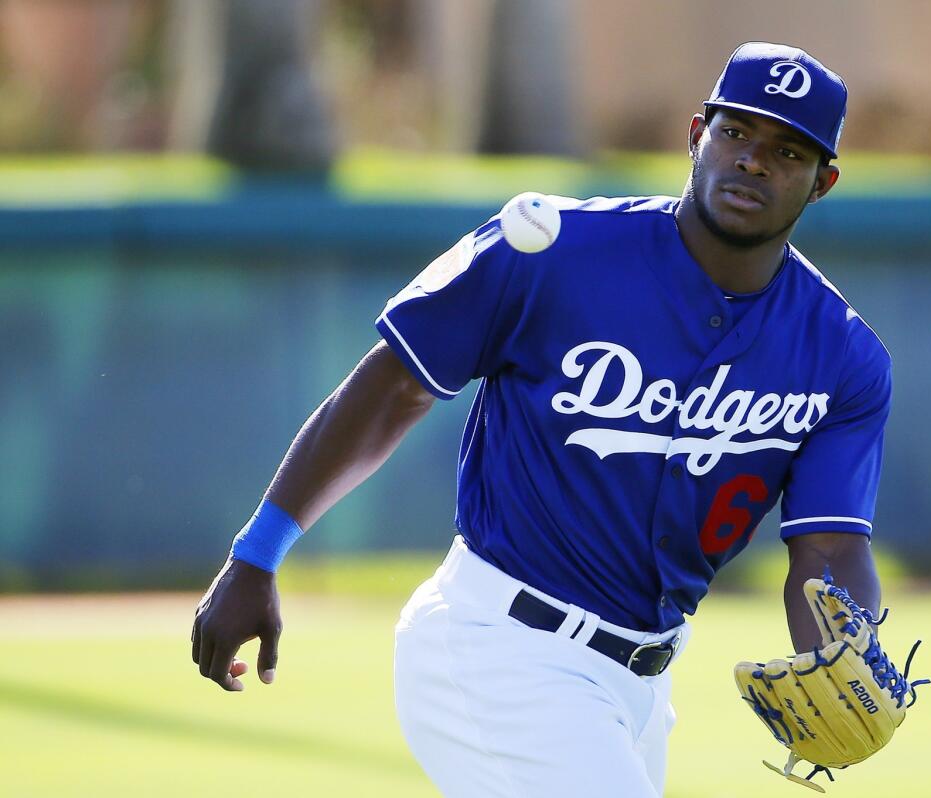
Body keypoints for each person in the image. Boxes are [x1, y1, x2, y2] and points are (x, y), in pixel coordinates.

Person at [192, 41, 889, 798]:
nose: (754, 160)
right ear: (697, 136)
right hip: (501, 650)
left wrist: (847, 649)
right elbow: (396, 387)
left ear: (823, 183)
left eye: (786, 150)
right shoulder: (554, 250)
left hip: (640, 691)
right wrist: (257, 554)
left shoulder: (842, 356)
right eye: (736, 132)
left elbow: (827, 550)